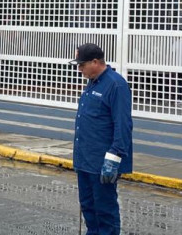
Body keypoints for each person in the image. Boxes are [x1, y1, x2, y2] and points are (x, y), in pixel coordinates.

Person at [71, 43, 133, 235]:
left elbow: (123, 125)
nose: (79, 69)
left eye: (82, 65)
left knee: (105, 210)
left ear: (95, 62)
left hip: (102, 162)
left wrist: (114, 158)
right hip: (85, 160)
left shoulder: (116, 85)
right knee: (88, 207)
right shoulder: (93, 83)